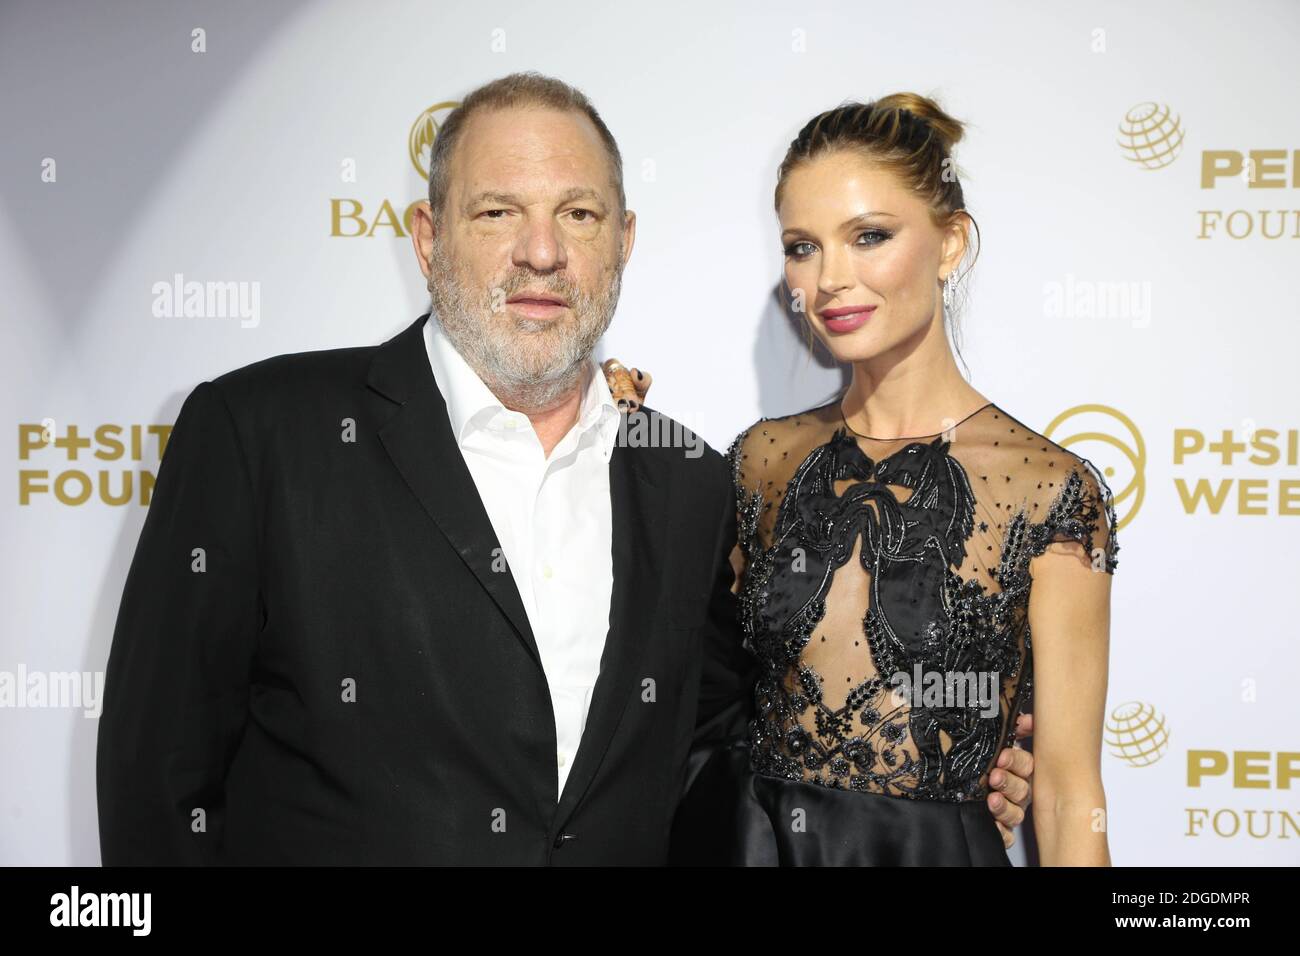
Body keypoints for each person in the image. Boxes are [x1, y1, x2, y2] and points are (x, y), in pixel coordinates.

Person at [95, 73, 1033, 866]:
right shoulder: (264, 431)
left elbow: (726, 747)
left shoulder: (691, 483)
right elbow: (156, 776)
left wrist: (931, 778)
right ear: (427, 238)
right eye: (498, 211)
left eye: (576, 214)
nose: (541, 252)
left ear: (623, 241)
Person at [649, 93, 1119, 866]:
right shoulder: (761, 460)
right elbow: (697, 694)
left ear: (950, 243)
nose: (830, 278)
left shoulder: (1050, 489)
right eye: (802, 247)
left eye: (869, 236)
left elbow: (1069, 796)